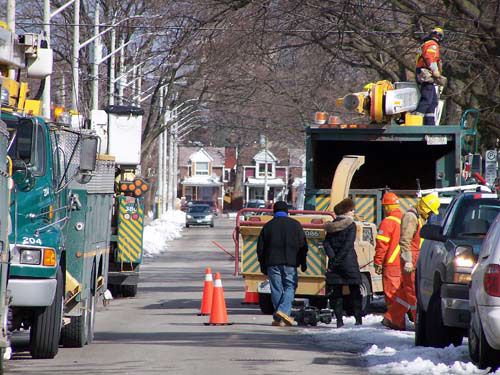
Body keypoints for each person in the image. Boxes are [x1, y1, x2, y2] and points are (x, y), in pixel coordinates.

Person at [382, 193, 440, 330]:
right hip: (411, 261)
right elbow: (405, 241)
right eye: (430, 211)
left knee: (405, 293)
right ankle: (419, 323)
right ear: (426, 208)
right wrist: (407, 260)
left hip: (417, 259)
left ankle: (392, 318)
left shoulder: (418, 217)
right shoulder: (411, 217)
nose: (431, 214)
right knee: (413, 293)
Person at [257, 201, 308, 326]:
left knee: (276, 288)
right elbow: (303, 246)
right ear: (287, 212)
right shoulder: (296, 225)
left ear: (274, 211)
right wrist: (303, 262)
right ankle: (282, 312)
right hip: (290, 263)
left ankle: (279, 317)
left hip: (272, 263)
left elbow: (260, 249)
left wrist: (263, 265)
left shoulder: (268, 226)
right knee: (290, 287)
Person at [323, 198, 362, 328]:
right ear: (346, 211)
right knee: (355, 291)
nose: (353, 212)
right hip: (349, 263)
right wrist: (339, 259)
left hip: (334, 265)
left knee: (336, 293)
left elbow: (326, 243)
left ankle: (339, 321)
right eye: (351, 210)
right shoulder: (351, 225)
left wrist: (333, 259)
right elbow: (348, 245)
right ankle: (358, 320)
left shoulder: (332, 225)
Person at [374, 192, 403, 313]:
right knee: (402, 294)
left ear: (387, 207)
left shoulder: (388, 222)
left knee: (392, 295)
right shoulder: (406, 218)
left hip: (392, 264)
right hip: (406, 263)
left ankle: (395, 321)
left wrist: (378, 262)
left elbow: (382, 245)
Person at [415, 27, 446, 125]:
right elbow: (429, 58)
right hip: (426, 73)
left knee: (433, 102)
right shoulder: (432, 45)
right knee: (427, 98)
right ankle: (415, 122)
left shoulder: (426, 43)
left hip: (424, 73)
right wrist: (435, 70)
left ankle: (430, 124)